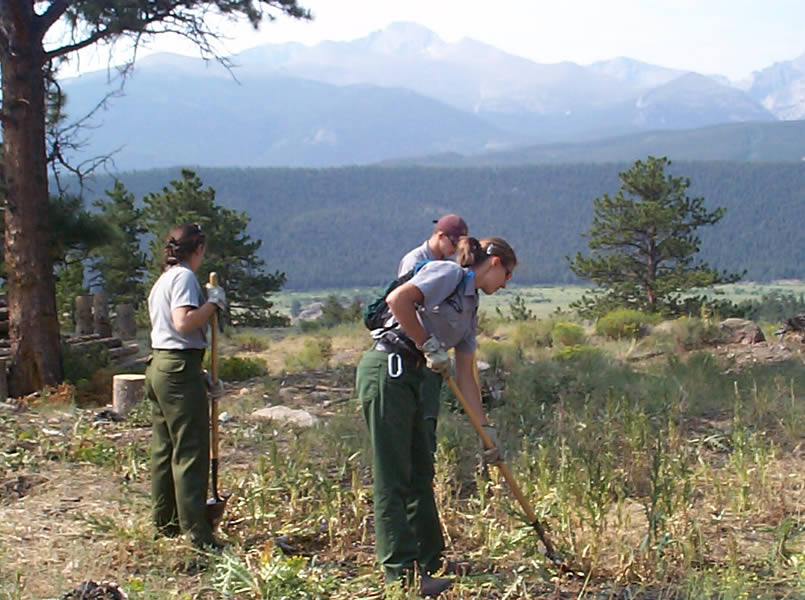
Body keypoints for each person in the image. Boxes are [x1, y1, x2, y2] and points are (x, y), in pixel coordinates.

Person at [356, 236, 516, 597]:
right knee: (393, 474)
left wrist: (485, 431)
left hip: (420, 377)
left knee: (421, 472)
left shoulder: (470, 305)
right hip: (390, 370)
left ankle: (432, 561)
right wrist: (427, 342)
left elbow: (466, 375)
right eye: (507, 275)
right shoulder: (447, 274)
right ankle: (402, 575)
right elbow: (399, 301)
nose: (506, 284)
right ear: (494, 263)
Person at [145, 223, 227, 549]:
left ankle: (165, 523)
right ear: (198, 249)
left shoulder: (162, 280)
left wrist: (199, 372)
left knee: (165, 449)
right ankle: (197, 533)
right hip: (178, 369)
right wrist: (213, 305)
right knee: (190, 449)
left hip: (163, 365)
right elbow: (183, 322)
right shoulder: (183, 278)